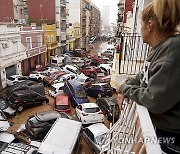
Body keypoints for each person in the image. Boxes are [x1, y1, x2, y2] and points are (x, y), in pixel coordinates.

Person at [117, 0, 180, 153]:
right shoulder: (160, 48)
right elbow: (143, 74)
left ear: (149, 25)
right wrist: (129, 83)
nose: (140, 29)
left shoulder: (172, 50)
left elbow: (154, 100)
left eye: (141, 24)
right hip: (159, 128)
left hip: (170, 137)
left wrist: (125, 88)